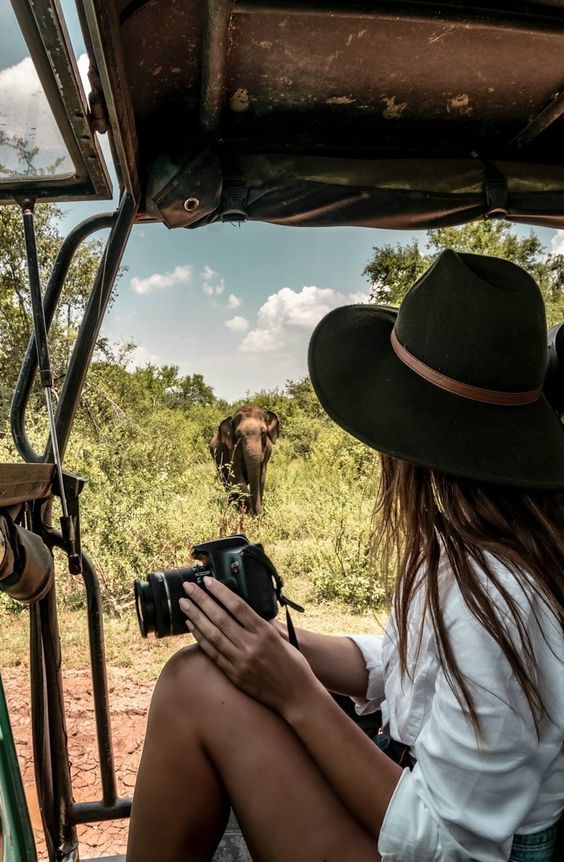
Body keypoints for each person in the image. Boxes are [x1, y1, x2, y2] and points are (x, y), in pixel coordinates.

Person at [125, 250, 564, 862]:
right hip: (403, 781)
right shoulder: (465, 544)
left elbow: (450, 847)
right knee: (203, 676)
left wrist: (297, 694)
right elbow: (410, 667)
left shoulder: (498, 597)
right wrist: (281, 644)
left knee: (190, 688)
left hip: (440, 847)